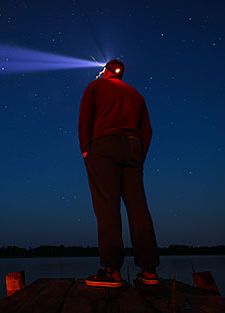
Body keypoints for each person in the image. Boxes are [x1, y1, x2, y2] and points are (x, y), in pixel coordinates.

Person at [78, 59, 160, 287]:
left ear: (105, 72)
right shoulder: (136, 95)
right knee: (138, 208)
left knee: (107, 207)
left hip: (103, 146)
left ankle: (112, 271)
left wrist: (86, 149)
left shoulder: (94, 86)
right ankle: (149, 270)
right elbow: (147, 130)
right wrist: (139, 155)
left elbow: (85, 119)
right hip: (134, 147)